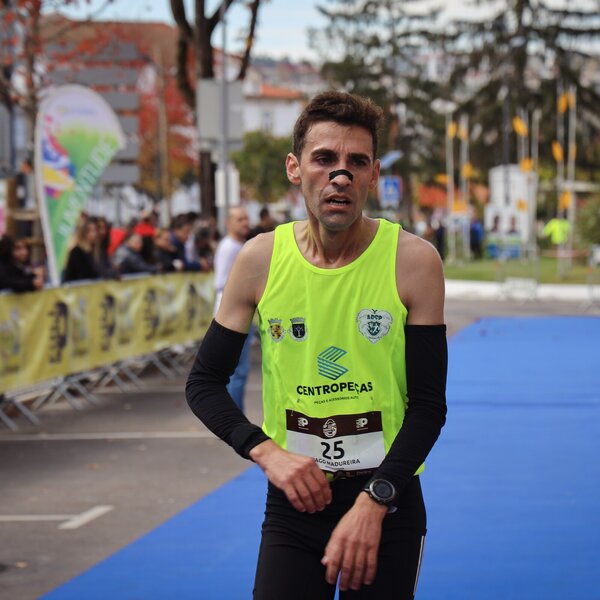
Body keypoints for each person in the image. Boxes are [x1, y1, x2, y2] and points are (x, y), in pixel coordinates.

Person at [186, 91, 447, 599]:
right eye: (324, 158)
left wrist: (376, 499)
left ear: (373, 176)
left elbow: (428, 406)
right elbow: (204, 383)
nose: (339, 176)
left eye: (357, 162)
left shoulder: (414, 261)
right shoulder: (259, 259)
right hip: (296, 504)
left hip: (387, 499)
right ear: (295, 168)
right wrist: (266, 452)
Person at [212, 206, 252, 410]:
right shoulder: (229, 247)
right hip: (233, 314)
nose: (245, 223)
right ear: (228, 223)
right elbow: (221, 282)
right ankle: (235, 418)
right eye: (239, 219)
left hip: (240, 312)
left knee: (239, 371)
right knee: (236, 371)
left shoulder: (239, 245)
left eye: (246, 218)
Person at [63, 217, 102, 283]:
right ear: (84, 233)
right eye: (90, 231)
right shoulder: (77, 253)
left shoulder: (97, 252)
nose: (94, 234)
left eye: (95, 230)